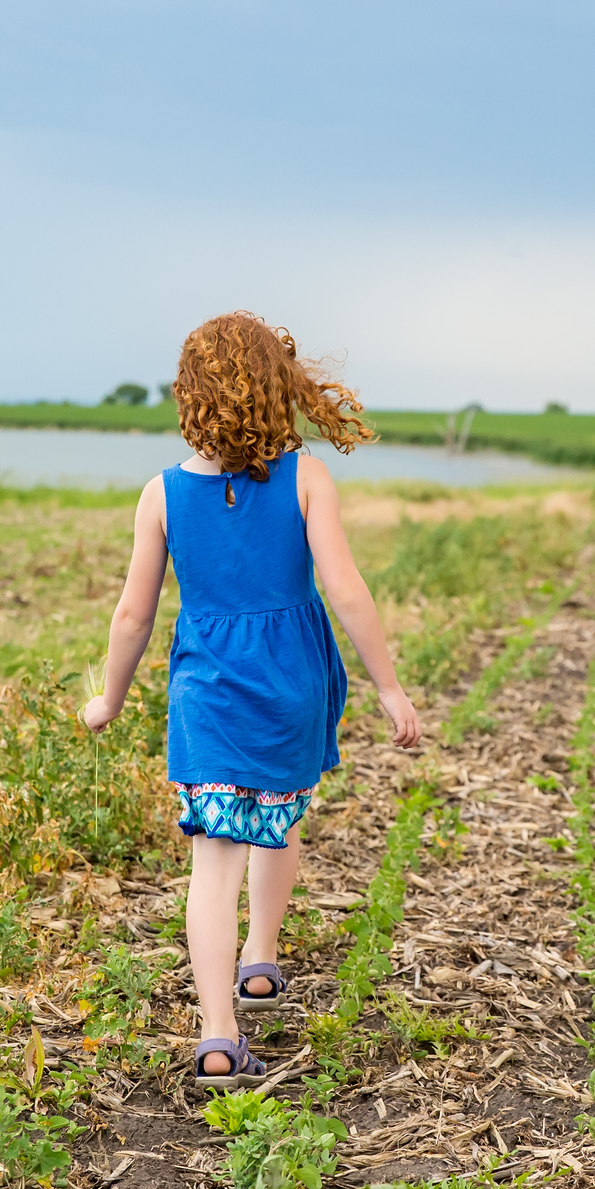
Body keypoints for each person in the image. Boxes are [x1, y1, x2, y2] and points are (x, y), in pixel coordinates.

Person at [83, 312, 422, 1089]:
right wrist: (389, 687)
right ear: (277, 391)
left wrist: (109, 696)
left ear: (189, 396)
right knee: (279, 815)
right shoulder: (306, 476)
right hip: (291, 683)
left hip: (206, 692)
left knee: (213, 860)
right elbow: (344, 587)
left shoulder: (160, 494)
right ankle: (260, 960)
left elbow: (132, 613)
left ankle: (216, 1036)